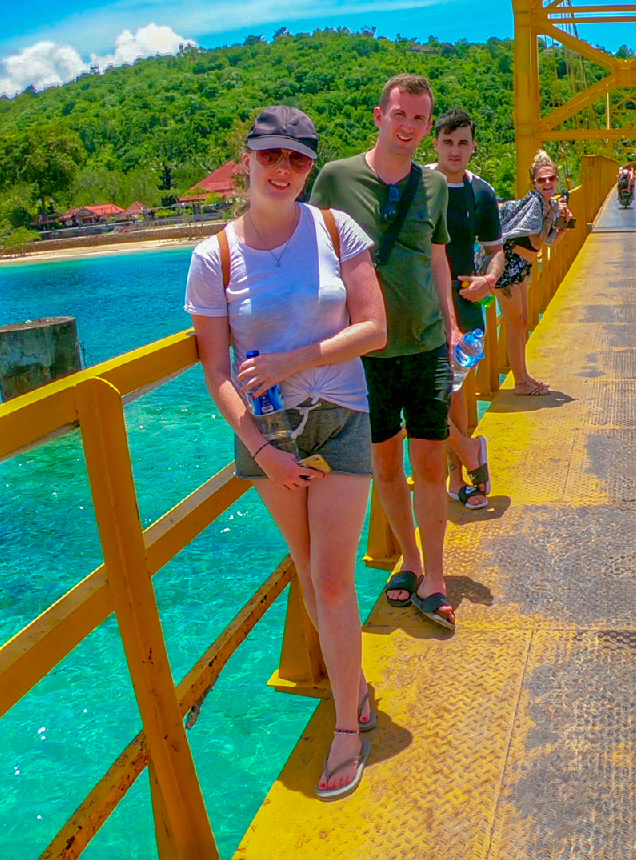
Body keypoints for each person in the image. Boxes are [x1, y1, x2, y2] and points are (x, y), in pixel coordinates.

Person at [185, 106, 388, 798]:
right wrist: (260, 451)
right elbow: (214, 370)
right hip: (266, 434)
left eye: (298, 160)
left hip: (340, 415)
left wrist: (294, 359)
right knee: (307, 571)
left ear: (310, 168)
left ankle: (345, 728)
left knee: (330, 579)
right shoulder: (215, 256)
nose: (282, 170)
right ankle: (356, 685)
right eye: (270, 155)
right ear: (246, 157)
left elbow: (374, 328)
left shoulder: (336, 229)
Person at [307, 74, 463, 630]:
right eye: (401, 115)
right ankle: (411, 561)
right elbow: (311, 254)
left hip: (424, 344)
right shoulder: (335, 179)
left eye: (420, 119)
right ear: (379, 115)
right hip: (364, 352)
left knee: (428, 461)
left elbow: (438, 258)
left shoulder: (436, 186)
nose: (409, 127)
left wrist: (450, 325)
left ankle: (437, 577)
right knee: (385, 465)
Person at [431, 108, 502, 511]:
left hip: (464, 306)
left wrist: (488, 282)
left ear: (474, 147)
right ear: (435, 143)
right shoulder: (417, 184)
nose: (455, 151)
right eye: (447, 142)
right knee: (433, 394)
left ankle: (458, 478)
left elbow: (496, 252)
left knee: (453, 392)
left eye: (463, 143)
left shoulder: (482, 193)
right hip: (418, 307)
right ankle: (470, 451)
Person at [494, 151, 571, 396]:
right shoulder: (534, 204)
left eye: (551, 179)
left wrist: (562, 224)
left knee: (523, 322)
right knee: (515, 324)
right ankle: (520, 383)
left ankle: (524, 376)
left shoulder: (550, 205)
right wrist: (552, 217)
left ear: (557, 180)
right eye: (541, 180)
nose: (547, 184)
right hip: (507, 266)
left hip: (522, 267)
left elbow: (550, 242)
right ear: (534, 183)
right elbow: (536, 238)